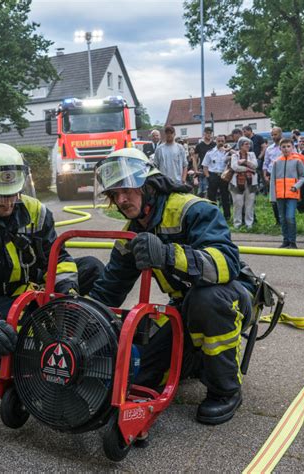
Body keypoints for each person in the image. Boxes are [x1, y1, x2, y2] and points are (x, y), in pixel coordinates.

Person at [91, 147, 255, 425]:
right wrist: (75, 318)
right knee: (143, 376)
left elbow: (227, 264)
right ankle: (193, 360)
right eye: (114, 193)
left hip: (230, 297)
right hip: (183, 308)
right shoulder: (132, 233)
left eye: (128, 189)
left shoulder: (193, 209)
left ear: (148, 184)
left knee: (206, 301)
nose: (121, 199)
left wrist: (168, 254)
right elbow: (109, 290)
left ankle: (225, 390)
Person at [0, 143, 103, 383]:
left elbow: (58, 259)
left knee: (92, 267)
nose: (7, 204)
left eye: (12, 195)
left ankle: (83, 333)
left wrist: (67, 296)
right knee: (12, 361)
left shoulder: (36, 211)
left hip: (32, 288)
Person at [270, 138, 304, 249]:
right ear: (280, 148)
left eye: (288, 146)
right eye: (283, 147)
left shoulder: (297, 161)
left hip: (292, 194)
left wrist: (296, 186)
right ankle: (285, 240)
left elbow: (303, 176)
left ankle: (292, 242)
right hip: (280, 194)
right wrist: (273, 197)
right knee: (282, 218)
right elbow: (273, 180)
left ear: (292, 147)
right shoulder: (277, 162)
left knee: (290, 217)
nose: (286, 149)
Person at [229, 137, 258, 229]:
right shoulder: (235, 155)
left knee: (250, 204)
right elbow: (234, 167)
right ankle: (237, 224)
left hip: (250, 182)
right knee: (238, 203)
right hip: (237, 183)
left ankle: (249, 224)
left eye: (249, 144)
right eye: (246, 144)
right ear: (241, 145)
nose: (248, 146)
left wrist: (245, 161)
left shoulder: (252, 154)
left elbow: (255, 165)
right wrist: (247, 168)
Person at [202, 134, 231, 221]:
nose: (221, 143)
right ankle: (213, 216)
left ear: (225, 141)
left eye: (222, 141)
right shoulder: (210, 152)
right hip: (213, 175)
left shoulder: (227, 152)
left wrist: (229, 149)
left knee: (225, 196)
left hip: (224, 176)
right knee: (212, 197)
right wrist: (208, 177)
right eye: (219, 141)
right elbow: (205, 166)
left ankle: (227, 216)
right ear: (215, 141)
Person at [263, 127, 284, 225]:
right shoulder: (269, 149)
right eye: (272, 135)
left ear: (280, 134)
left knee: (283, 198)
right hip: (272, 175)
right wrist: (265, 175)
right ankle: (278, 220)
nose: (273, 137)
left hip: (284, 176)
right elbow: (265, 163)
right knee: (274, 199)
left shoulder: (287, 146)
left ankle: (285, 219)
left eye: (275, 134)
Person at [193, 126, 216, 197]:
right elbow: (194, 158)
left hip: (213, 170)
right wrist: (196, 170)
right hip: (203, 170)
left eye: (210, 133)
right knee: (202, 191)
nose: (209, 135)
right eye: (207, 133)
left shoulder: (214, 145)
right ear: (204, 134)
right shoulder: (199, 145)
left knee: (212, 190)